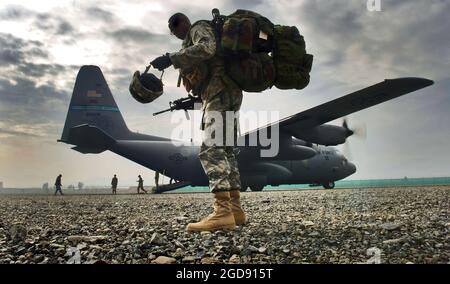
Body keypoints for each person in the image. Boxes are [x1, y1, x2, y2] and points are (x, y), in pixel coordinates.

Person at [150, 12, 246, 232]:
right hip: (225, 91)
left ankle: (222, 213)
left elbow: (207, 48)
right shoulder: (195, 35)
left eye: (174, 28)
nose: (174, 34)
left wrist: (171, 58)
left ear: (181, 23)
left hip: (219, 90)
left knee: (211, 150)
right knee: (226, 151)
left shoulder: (198, 29)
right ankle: (235, 210)